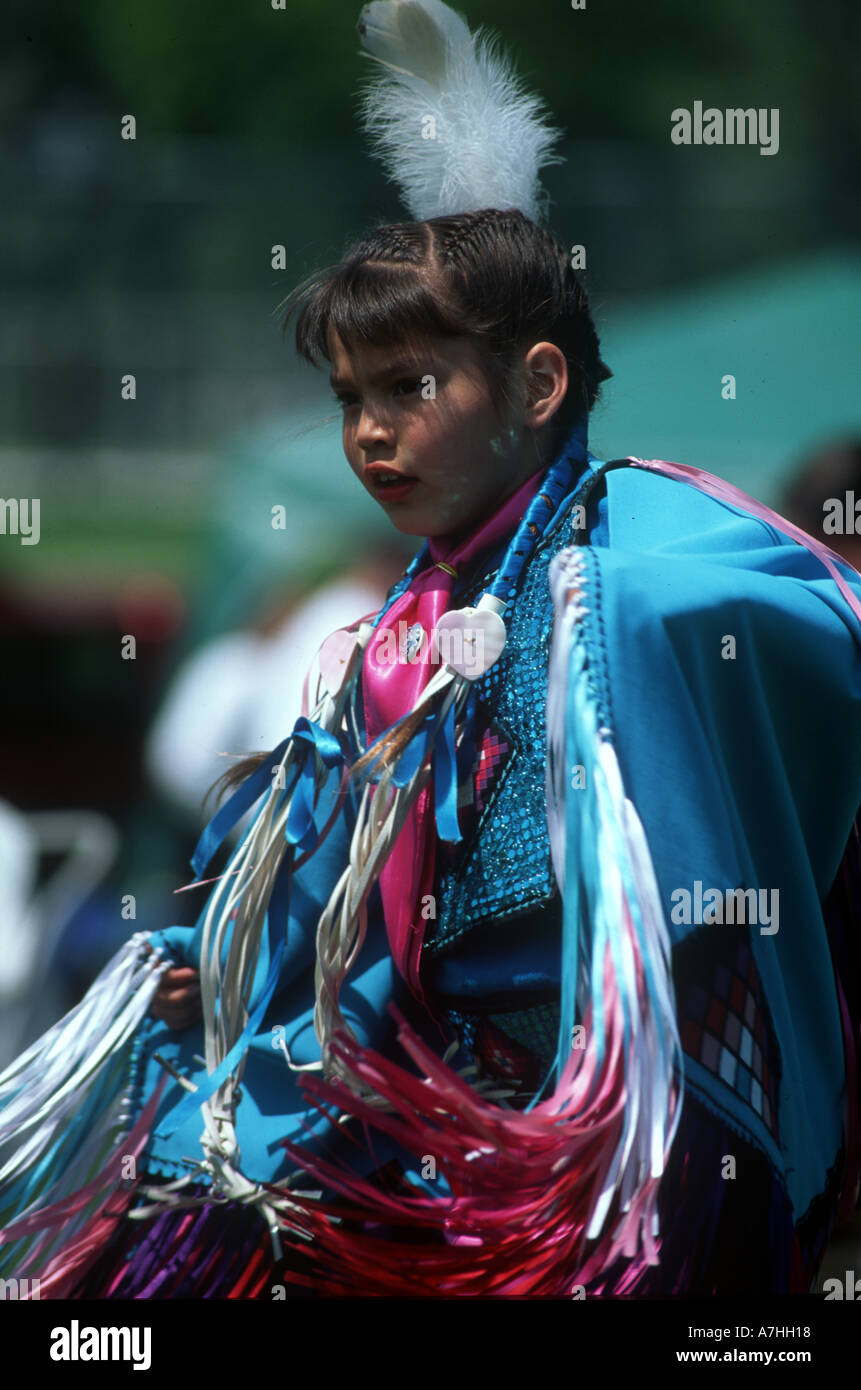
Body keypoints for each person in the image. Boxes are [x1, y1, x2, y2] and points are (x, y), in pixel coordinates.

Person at [2, 0, 861, 1299]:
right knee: (185, 1195)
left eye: (411, 388)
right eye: (350, 396)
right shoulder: (391, 640)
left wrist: (613, 620)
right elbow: (320, 889)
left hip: (633, 1127)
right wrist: (222, 984)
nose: (368, 432)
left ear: (533, 388)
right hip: (434, 1108)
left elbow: (797, 615)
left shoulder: (638, 543)